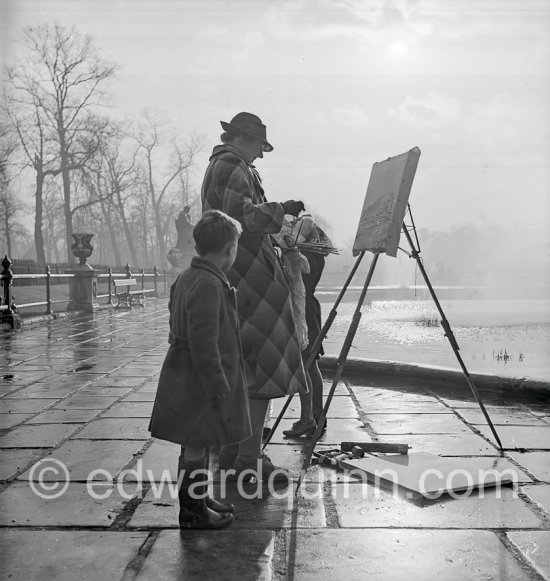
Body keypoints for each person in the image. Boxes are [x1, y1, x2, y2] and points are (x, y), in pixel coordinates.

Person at [201, 111, 308, 481]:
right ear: (243, 138)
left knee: (243, 367)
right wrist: (283, 210)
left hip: (242, 275)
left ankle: (235, 450)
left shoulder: (228, 164)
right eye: (259, 146)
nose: (261, 154)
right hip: (249, 280)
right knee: (261, 367)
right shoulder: (231, 165)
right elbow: (240, 217)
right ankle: (249, 459)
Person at [149, 210, 251, 530]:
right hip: (198, 378)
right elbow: (203, 341)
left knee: (198, 440)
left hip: (184, 373)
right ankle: (192, 512)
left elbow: (174, 315)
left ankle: (199, 499)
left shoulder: (187, 277)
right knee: (196, 442)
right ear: (229, 249)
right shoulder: (209, 283)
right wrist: (218, 383)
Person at [283, 218, 331, 437]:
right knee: (310, 365)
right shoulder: (316, 252)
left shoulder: (306, 255)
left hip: (303, 311)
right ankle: (316, 416)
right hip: (308, 309)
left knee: (306, 365)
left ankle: (308, 418)